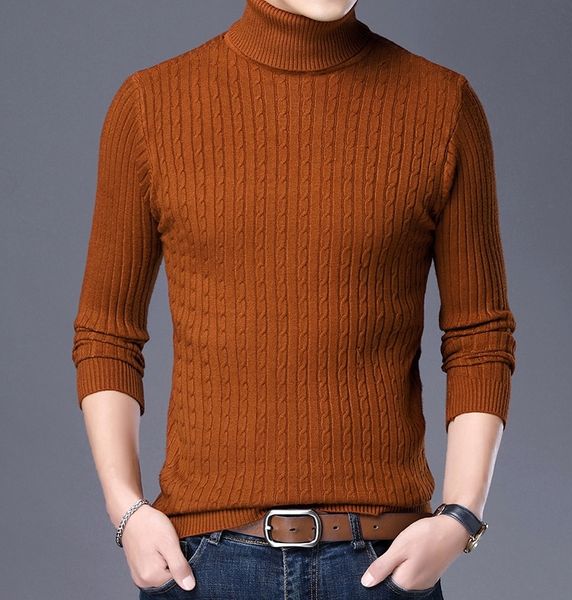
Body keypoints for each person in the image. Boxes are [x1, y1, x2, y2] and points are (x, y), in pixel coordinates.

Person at [71, 0, 517, 598]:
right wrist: (126, 510)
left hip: (380, 563)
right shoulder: (151, 105)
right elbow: (107, 333)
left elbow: (479, 335)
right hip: (205, 566)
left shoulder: (442, 105)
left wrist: (460, 517)